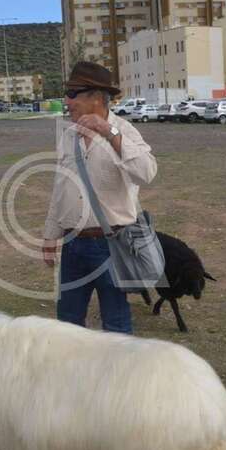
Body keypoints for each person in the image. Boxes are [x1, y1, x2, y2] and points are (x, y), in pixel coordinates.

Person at [42, 61, 157, 334]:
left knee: (116, 324)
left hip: (112, 245)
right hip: (72, 244)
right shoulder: (68, 135)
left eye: (72, 94)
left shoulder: (124, 130)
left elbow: (147, 173)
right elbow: (60, 187)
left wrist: (109, 132)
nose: (66, 101)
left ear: (95, 97)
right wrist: (50, 235)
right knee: (67, 323)